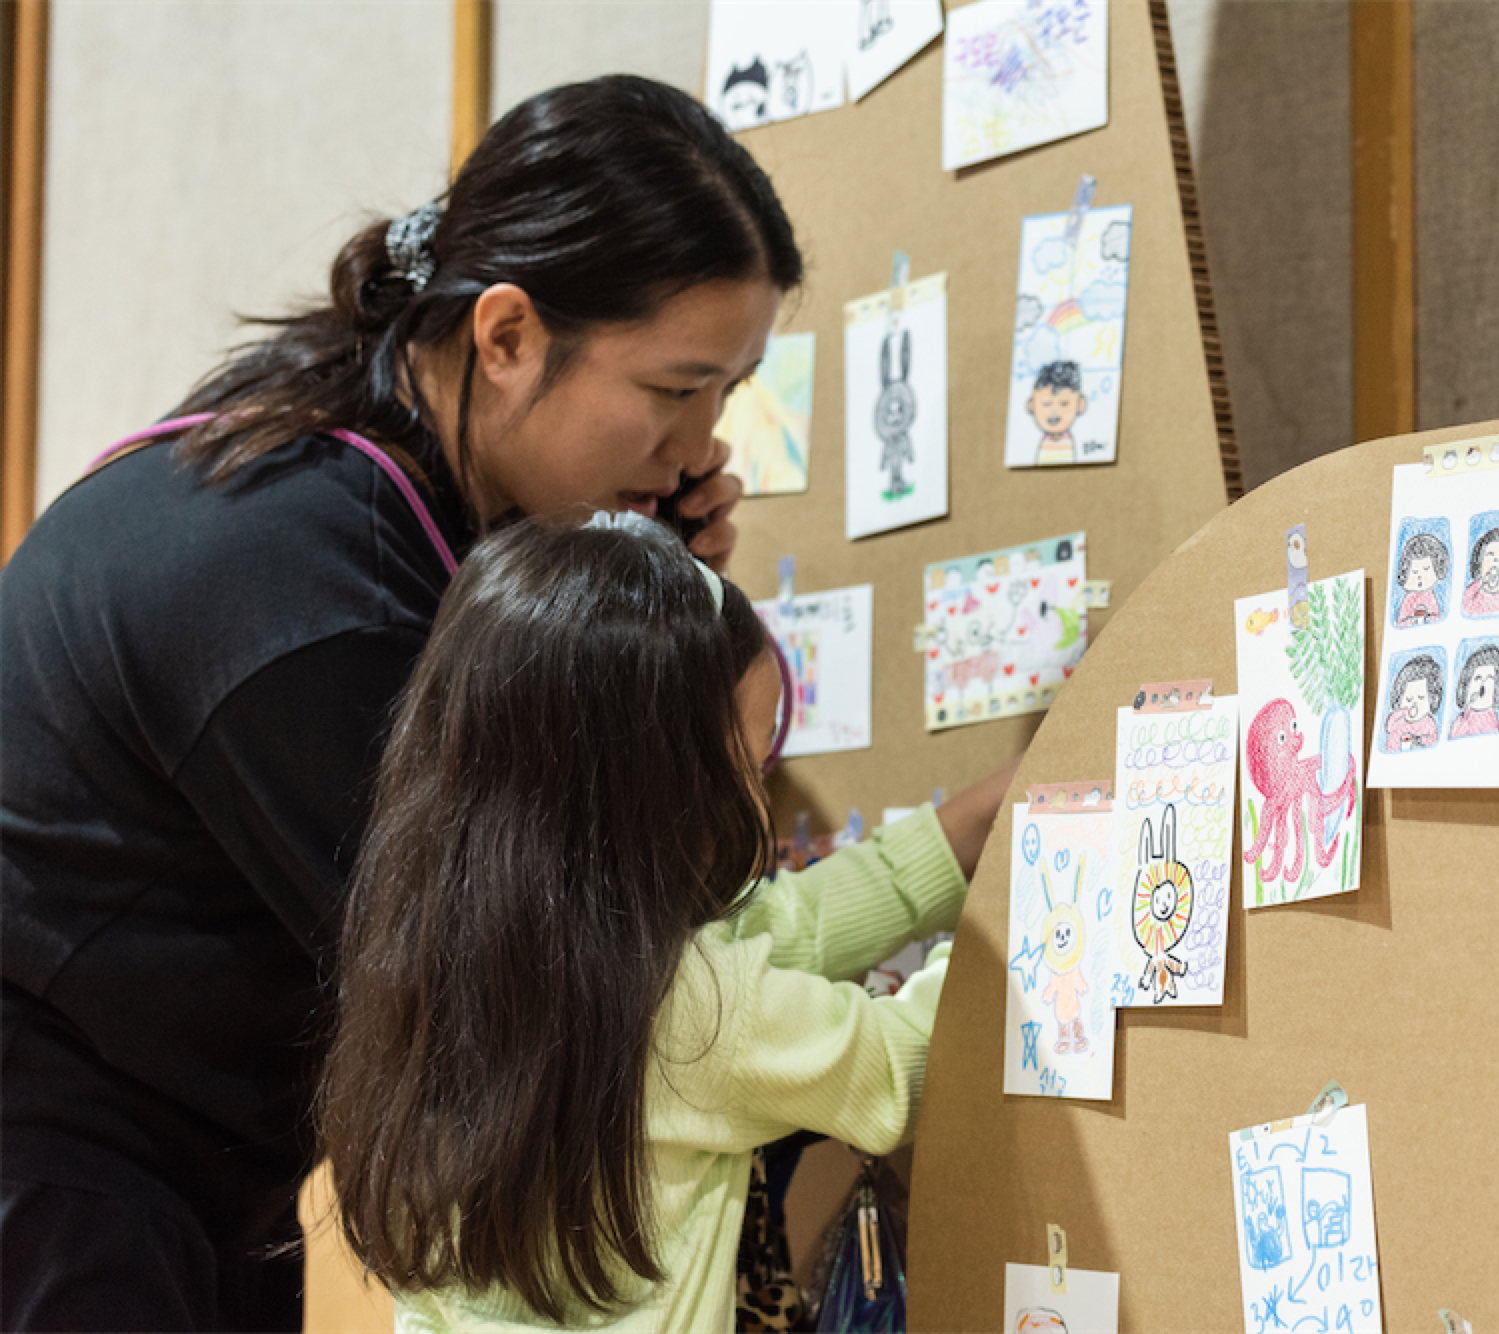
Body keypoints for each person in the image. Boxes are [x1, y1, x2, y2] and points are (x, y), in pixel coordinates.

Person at [0, 76, 1017, 1332]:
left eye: (729, 391)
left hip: (199, 1148)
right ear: (505, 336)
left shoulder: (406, 495)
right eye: (673, 388)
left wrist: (662, 604)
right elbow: (623, 974)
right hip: (63, 1150)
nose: (703, 445)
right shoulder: (304, 589)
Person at [318, 514, 1002, 1332]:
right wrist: (1041, 905)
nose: (762, 799)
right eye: (749, 768)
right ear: (652, 791)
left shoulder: (447, 955)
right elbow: (903, 1069)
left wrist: (967, 829)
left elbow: (787, 926)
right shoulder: (693, 1011)